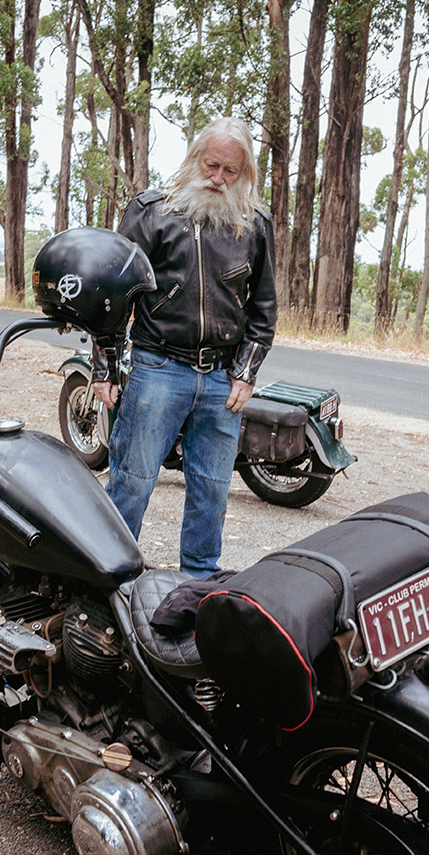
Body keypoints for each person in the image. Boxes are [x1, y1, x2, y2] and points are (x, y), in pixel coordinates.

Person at [90, 117, 277, 575]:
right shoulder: (150, 211)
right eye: (211, 165)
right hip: (157, 366)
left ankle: (198, 585)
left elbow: (264, 305)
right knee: (132, 482)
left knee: (212, 491)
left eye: (230, 171)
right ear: (195, 159)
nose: (218, 178)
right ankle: (107, 578)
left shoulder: (255, 224)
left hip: (222, 379)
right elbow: (112, 294)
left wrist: (247, 372)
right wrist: (105, 365)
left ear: (245, 171)